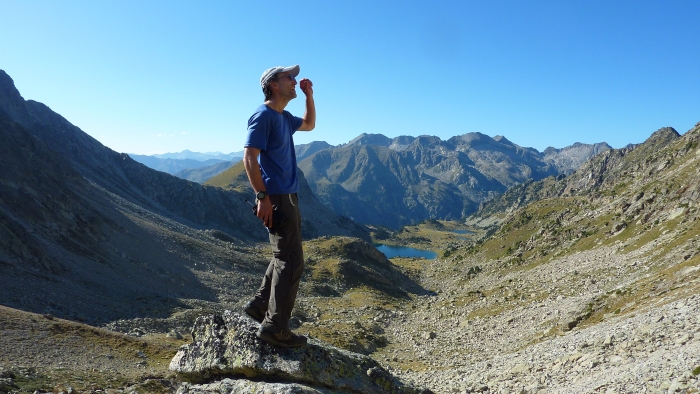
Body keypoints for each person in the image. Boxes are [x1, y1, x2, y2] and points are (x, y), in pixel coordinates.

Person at [242, 64, 315, 348]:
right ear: (273, 84)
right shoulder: (263, 116)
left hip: (288, 196)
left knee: (282, 255)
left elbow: (309, 124)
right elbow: (249, 158)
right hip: (277, 198)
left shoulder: (283, 117)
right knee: (292, 261)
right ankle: (275, 328)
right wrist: (262, 197)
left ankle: (260, 306)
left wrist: (309, 96)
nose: (295, 81)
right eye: (290, 78)